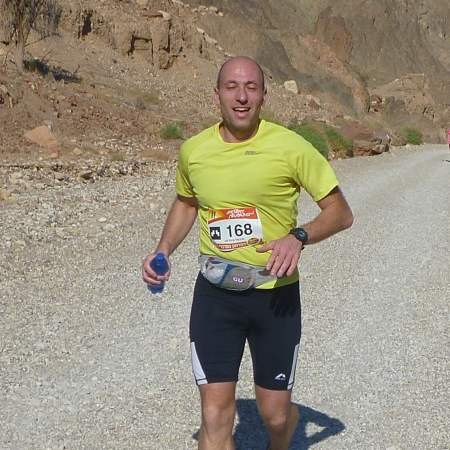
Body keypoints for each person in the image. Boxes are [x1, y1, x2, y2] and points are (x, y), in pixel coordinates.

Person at [141, 56, 354, 450]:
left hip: (275, 296)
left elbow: (341, 213)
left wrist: (298, 236)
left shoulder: (291, 146)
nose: (241, 97)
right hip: (216, 294)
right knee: (214, 415)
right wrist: (164, 250)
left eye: (251, 88)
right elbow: (187, 202)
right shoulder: (194, 151)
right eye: (232, 87)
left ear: (263, 96)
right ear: (217, 95)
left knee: (275, 415)